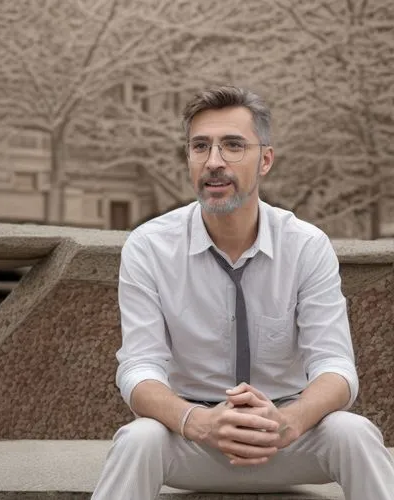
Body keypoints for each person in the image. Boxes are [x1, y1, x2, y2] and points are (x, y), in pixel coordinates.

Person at [92, 86, 394, 500]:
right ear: (189, 157)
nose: (214, 162)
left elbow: (335, 365)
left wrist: (291, 419)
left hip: (287, 435)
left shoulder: (306, 246)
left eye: (233, 145)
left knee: (355, 433)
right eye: (201, 146)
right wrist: (198, 422)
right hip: (193, 437)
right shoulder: (149, 246)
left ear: (265, 159)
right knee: (137, 440)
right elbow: (138, 368)